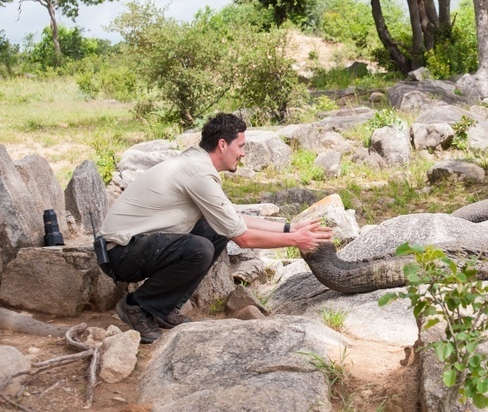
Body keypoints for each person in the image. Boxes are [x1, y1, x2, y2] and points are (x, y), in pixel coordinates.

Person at [100, 112, 334, 343]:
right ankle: (136, 306)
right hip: (121, 251)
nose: (242, 153)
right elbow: (244, 239)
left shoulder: (196, 164)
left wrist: (290, 228)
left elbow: (233, 219)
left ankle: (162, 307)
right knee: (198, 248)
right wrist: (297, 240)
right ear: (223, 144)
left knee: (216, 230)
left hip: (134, 246)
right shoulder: (198, 173)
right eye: (240, 146)